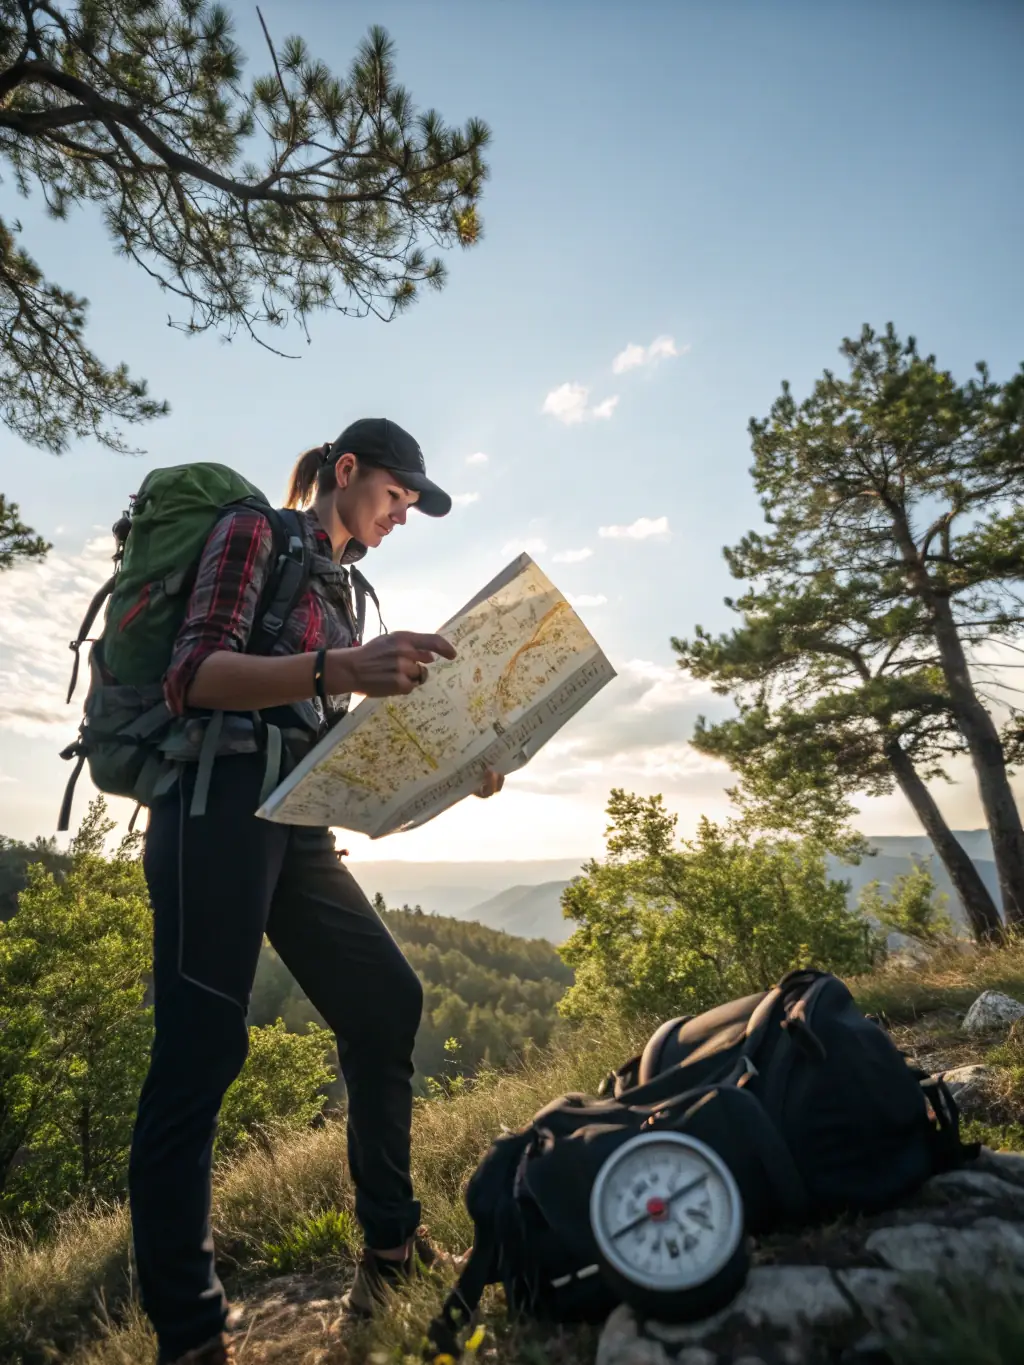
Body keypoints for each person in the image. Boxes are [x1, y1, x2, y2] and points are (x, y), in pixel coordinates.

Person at [128, 418, 504, 1365]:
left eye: (410, 507)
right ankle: (190, 1333)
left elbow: (328, 734)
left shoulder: (346, 586)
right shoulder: (255, 531)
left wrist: (457, 763)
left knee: (386, 1003)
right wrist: (341, 667)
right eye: (394, 497)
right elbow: (193, 675)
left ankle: (388, 1246)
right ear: (346, 472)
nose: (400, 517)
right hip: (213, 810)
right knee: (199, 1053)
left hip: (295, 826)